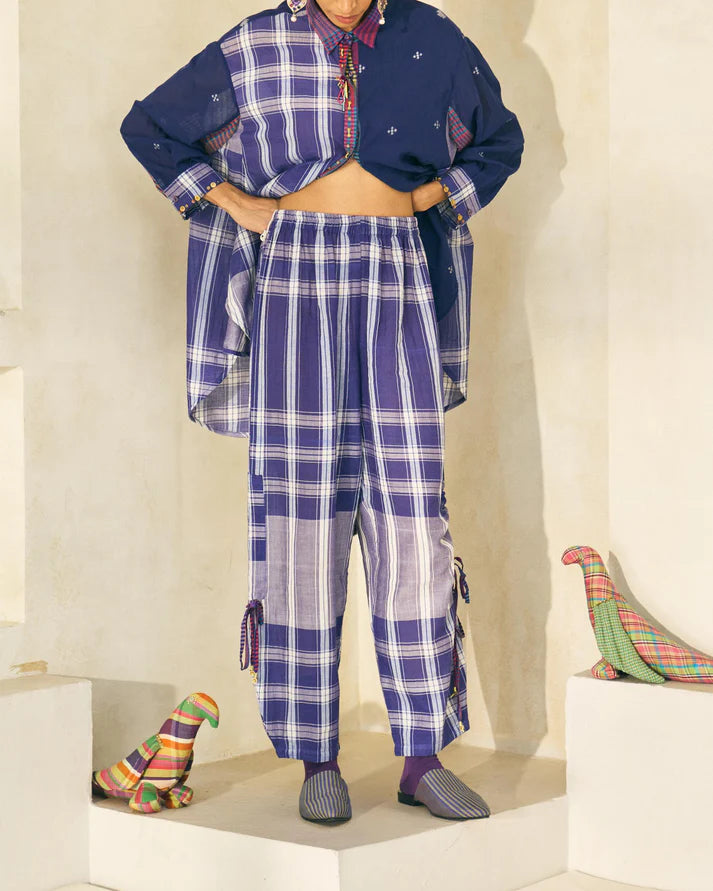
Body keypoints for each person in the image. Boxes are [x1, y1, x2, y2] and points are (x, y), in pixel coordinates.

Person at [120, 0, 524, 824]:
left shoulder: (430, 38)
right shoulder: (255, 43)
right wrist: (234, 201)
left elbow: (498, 142)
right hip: (295, 275)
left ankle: (421, 755)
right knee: (300, 517)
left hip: (396, 271)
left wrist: (430, 197)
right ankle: (317, 756)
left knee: (411, 515)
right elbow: (150, 127)